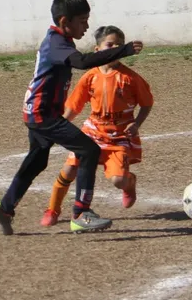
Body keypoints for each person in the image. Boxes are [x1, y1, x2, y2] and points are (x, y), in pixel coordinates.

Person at [0, 0, 144, 235]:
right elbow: (81, 62)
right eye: (82, 20)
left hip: (36, 112)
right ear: (64, 22)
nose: (87, 25)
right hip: (43, 114)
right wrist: (121, 51)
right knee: (89, 149)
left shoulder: (59, 40)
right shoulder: (56, 43)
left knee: (36, 162)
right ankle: (81, 213)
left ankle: (5, 207)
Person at [41, 25, 153, 226]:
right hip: (92, 132)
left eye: (118, 45)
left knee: (118, 180)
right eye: (109, 44)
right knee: (69, 170)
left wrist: (136, 124)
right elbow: (73, 107)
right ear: (97, 50)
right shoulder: (90, 76)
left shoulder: (131, 78)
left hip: (118, 137)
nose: (114, 49)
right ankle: (52, 209)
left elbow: (146, 104)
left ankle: (130, 182)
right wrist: (57, 129)